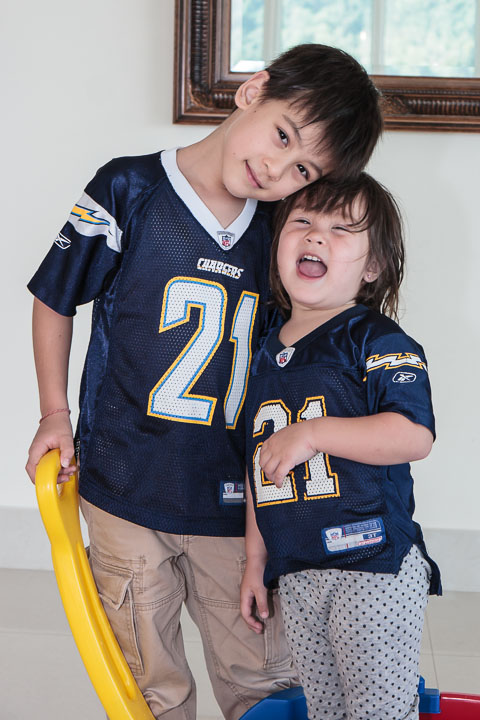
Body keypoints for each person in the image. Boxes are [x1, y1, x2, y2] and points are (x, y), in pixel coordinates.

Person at [26, 44, 382, 720]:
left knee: (265, 680)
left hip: (236, 500)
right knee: (149, 687)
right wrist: (53, 412)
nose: (276, 169)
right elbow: (54, 298)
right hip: (124, 486)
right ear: (253, 90)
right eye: (283, 136)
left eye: (302, 169)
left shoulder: (284, 230)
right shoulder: (128, 188)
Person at [241, 173, 441, 720]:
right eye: (303, 221)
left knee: (379, 712)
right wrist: (256, 560)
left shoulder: (376, 338)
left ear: (372, 266)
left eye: (341, 229)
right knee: (326, 712)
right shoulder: (261, 350)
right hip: (298, 568)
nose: (316, 236)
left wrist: (313, 433)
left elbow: (413, 434)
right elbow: (261, 464)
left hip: (371, 564)